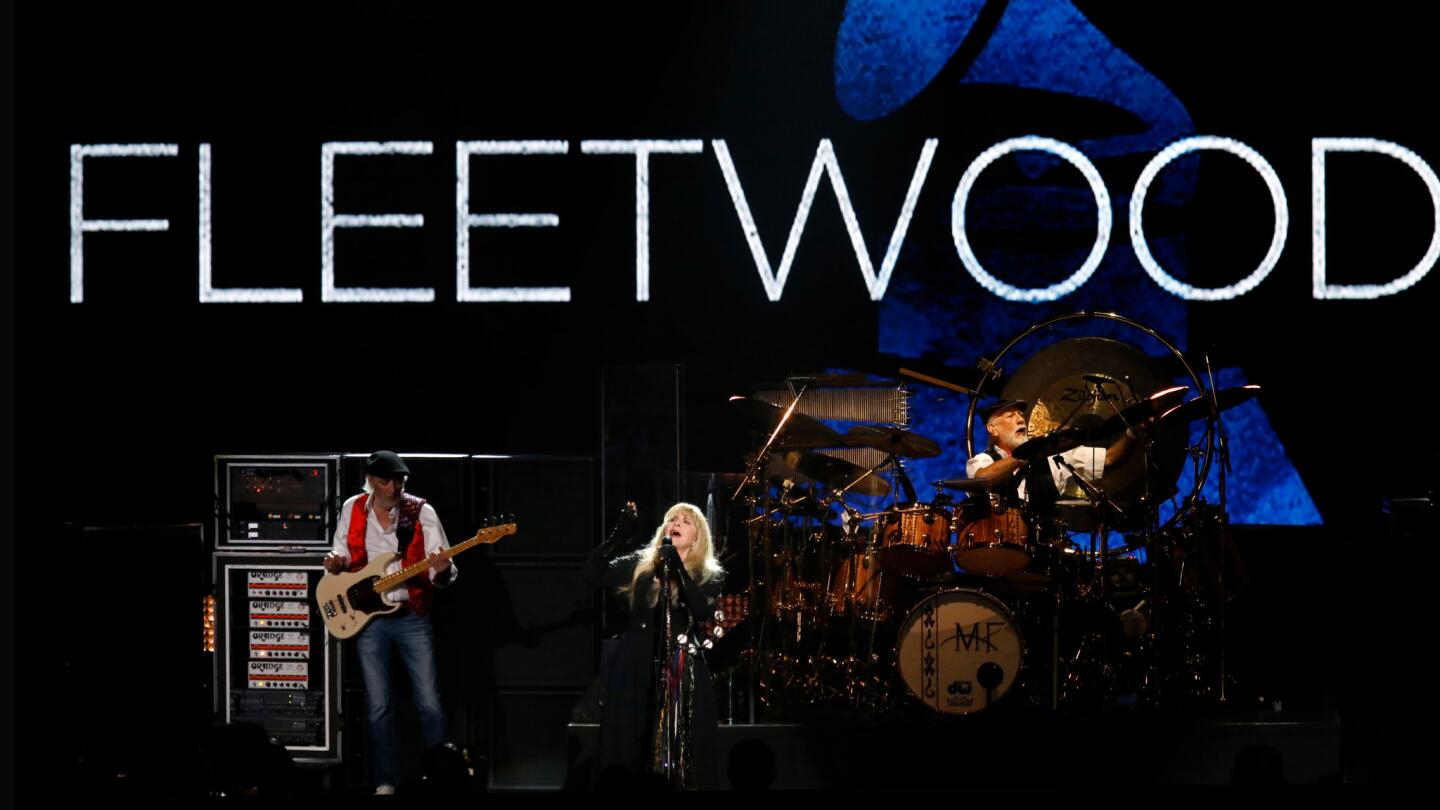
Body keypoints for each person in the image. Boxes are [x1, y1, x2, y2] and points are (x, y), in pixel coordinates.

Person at [323, 450, 456, 795]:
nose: (393, 487)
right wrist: (336, 563)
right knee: (379, 705)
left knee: (428, 700)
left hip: (412, 615)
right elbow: (343, 554)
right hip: (369, 619)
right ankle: (385, 779)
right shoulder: (353, 508)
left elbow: (441, 572)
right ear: (370, 481)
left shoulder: (421, 512)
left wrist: (441, 572)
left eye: (399, 480)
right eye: (386, 481)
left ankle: (440, 778)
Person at [583, 501, 725, 789]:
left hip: (679, 664)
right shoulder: (641, 563)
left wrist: (677, 567)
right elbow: (593, 574)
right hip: (635, 659)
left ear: (697, 536)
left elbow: (701, 610)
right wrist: (616, 538)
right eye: (673, 518)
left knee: (676, 744)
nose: (677, 523)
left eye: (686, 521)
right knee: (629, 740)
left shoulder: (709, 573)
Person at [966, 399, 1133, 512]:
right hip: (1000, 553)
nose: (1020, 420)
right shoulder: (983, 460)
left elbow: (1110, 458)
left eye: (1021, 416)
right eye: (1010, 416)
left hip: (1045, 554)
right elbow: (982, 479)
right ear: (992, 429)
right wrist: (1026, 454)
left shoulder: (1052, 455)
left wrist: (1132, 433)